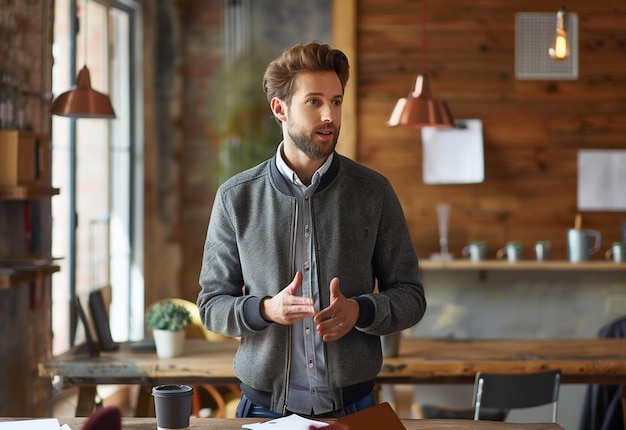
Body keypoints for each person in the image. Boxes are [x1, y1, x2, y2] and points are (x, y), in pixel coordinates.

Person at [197, 41, 426, 419]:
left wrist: (361, 310)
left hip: (355, 408)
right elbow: (211, 306)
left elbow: (411, 297)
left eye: (336, 102)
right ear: (279, 108)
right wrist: (266, 309)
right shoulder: (235, 198)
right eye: (315, 101)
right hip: (262, 410)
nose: (329, 116)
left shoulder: (373, 192)